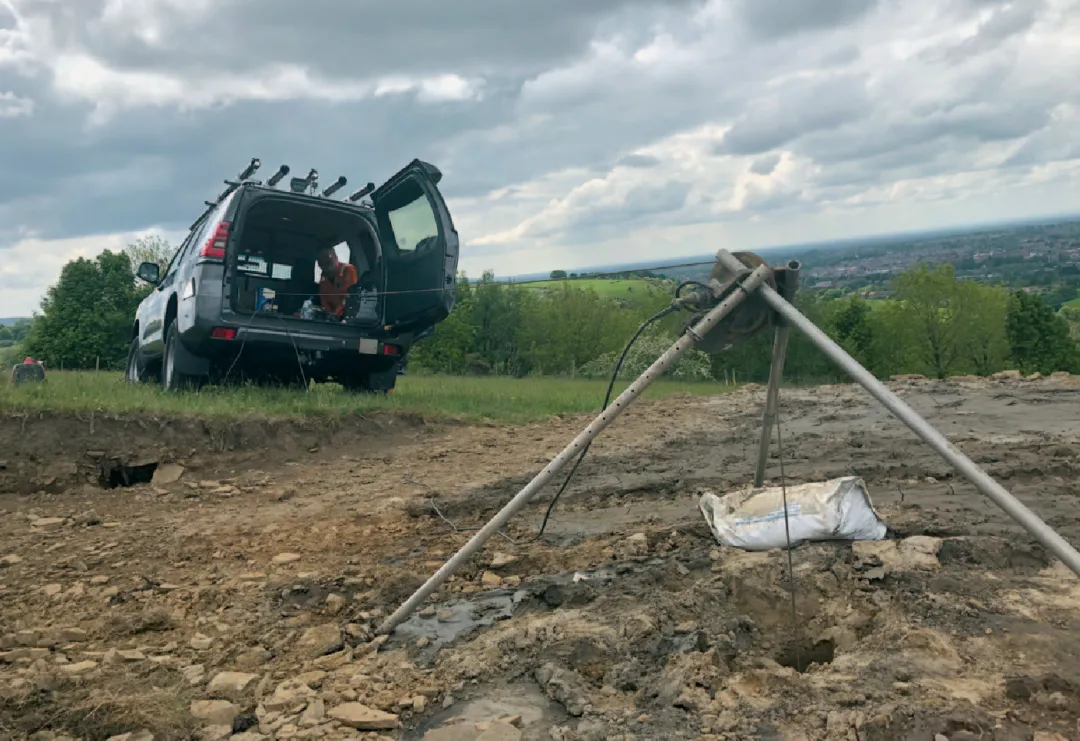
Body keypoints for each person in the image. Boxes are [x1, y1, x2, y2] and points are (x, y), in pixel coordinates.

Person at [315, 246, 358, 318]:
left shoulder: (348, 270)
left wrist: (337, 313)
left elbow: (350, 298)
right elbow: (324, 300)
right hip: (331, 318)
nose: (324, 262)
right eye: (321, 261)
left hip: (348, 315)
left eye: (328, 259)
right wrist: (328, 314)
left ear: (335, 257)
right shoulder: (323, 278)